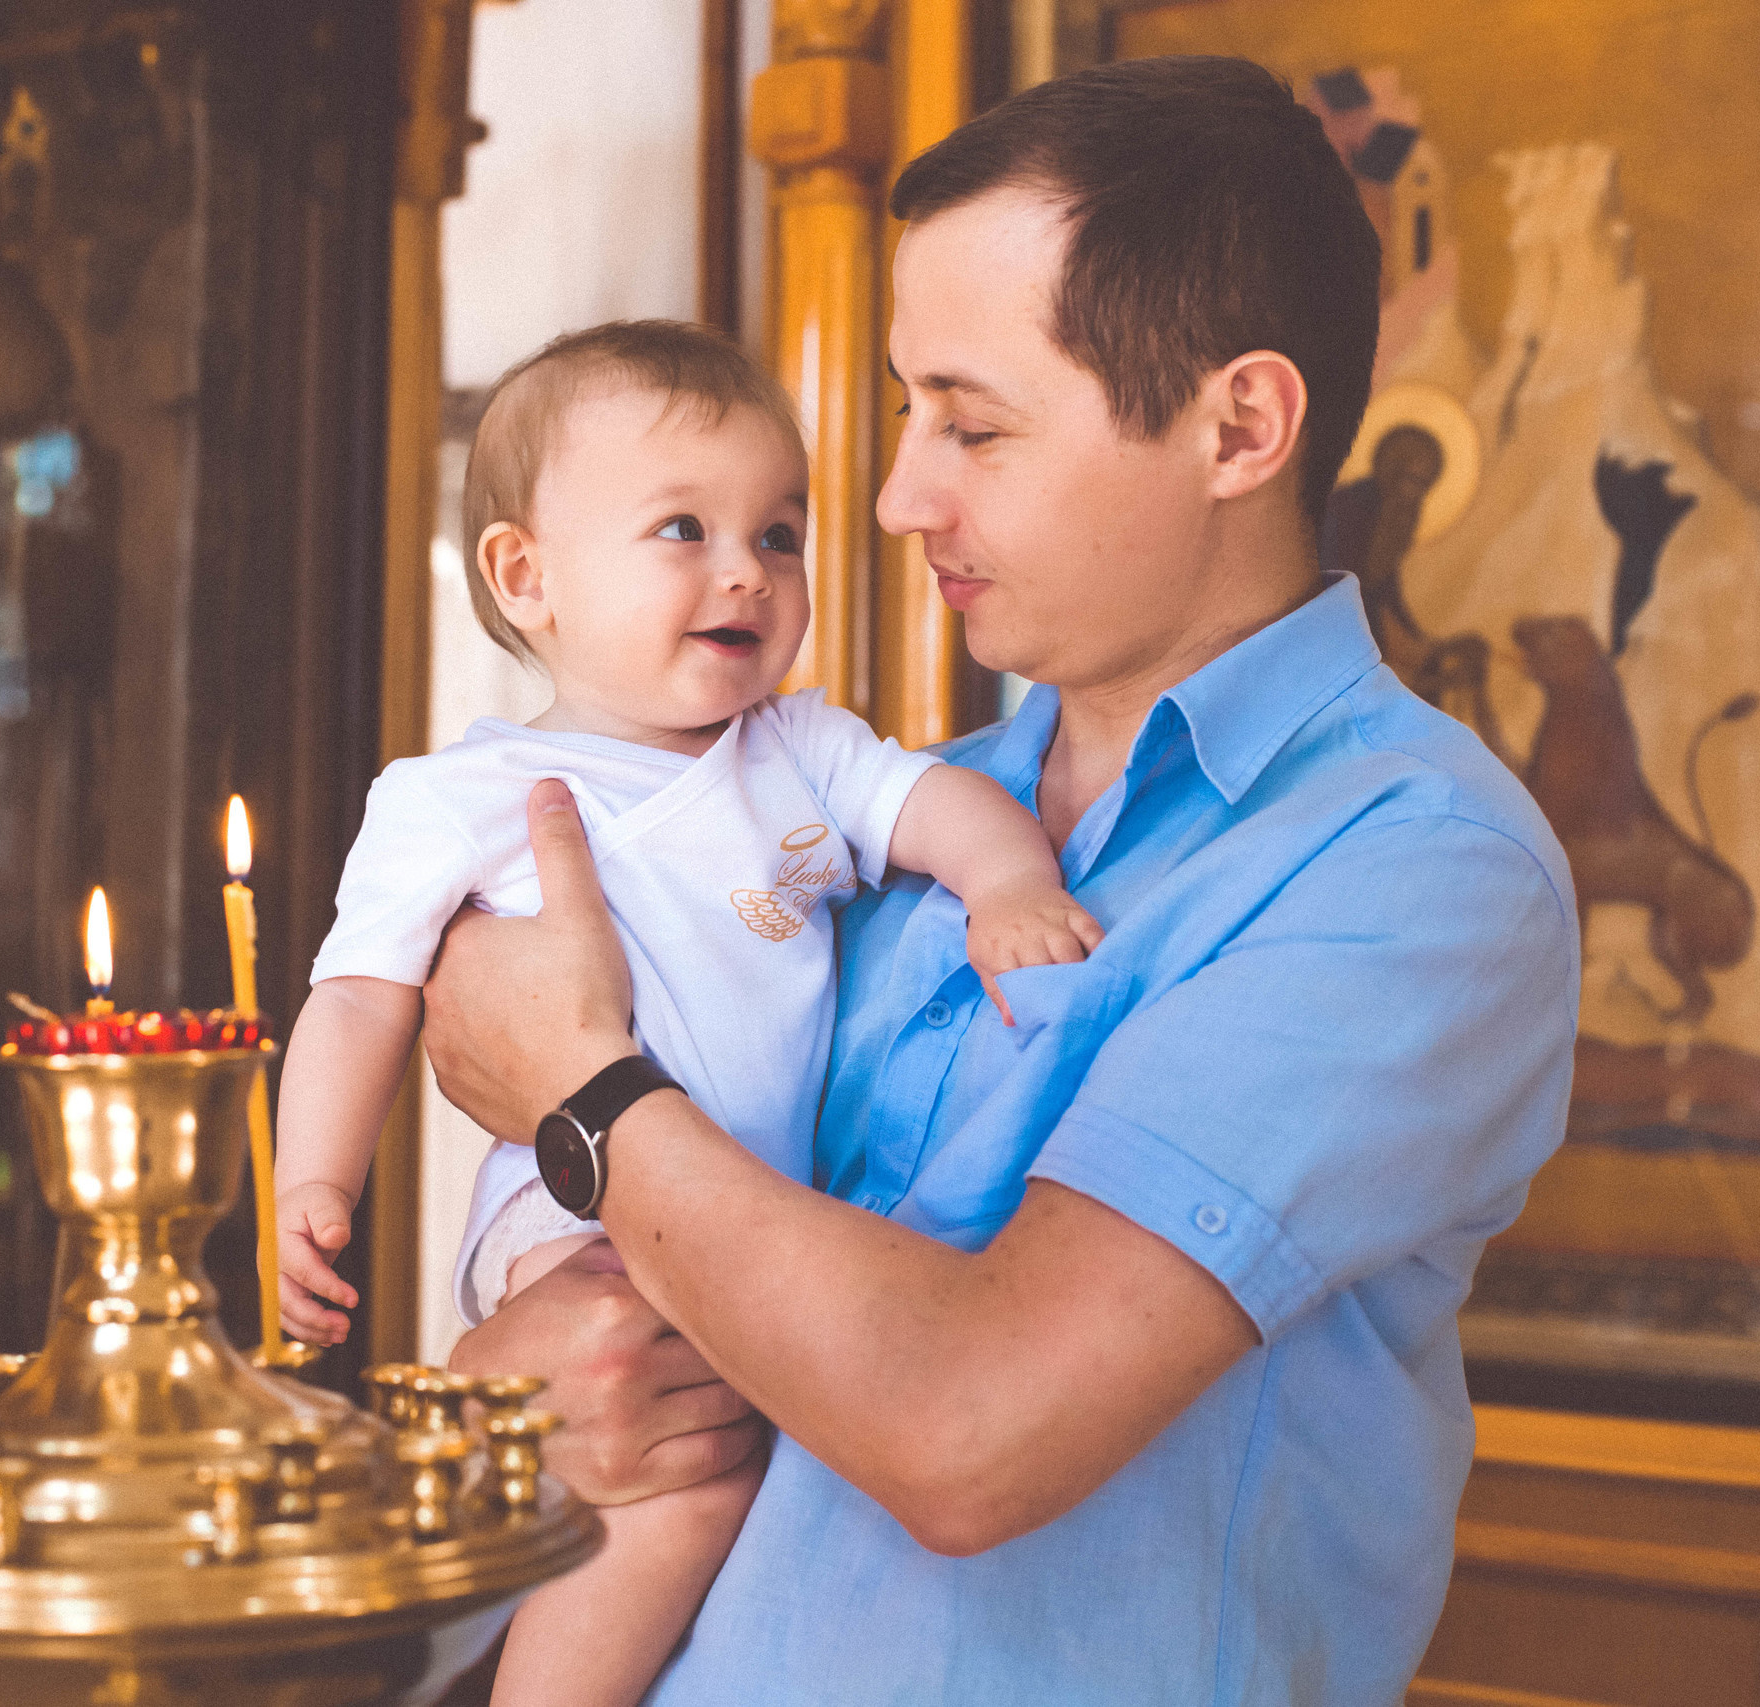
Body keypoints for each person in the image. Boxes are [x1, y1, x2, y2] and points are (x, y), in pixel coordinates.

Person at [423, 57, 1582, 1704]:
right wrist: (512, 1392)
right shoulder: (900, 820)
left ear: (1237, 425)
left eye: (973, 424)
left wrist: (583, 1097)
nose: (900, 498)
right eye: (908, 414)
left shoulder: (1417, 871)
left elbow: (968, 1431)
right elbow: (667, 1318)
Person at [271, 320, 1103, 1707]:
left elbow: (938, 807)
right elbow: (356, 995)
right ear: (524, 575)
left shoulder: (800, 751)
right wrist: (316, 1176)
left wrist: (1009, 881)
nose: (746, 572)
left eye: (778, 534)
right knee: (687, 1491)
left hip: (755, 1217)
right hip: (575, 1223)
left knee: (715, 1471)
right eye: (682, 529)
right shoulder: (462, 797)